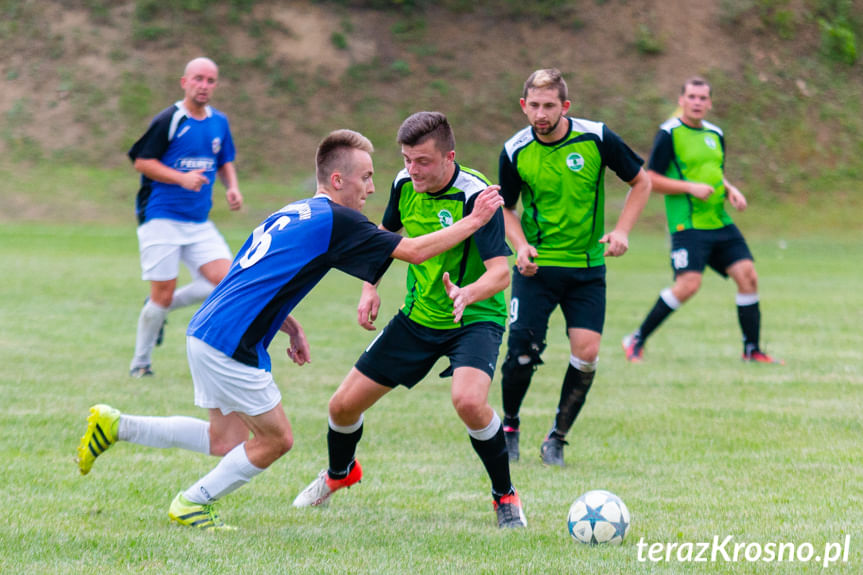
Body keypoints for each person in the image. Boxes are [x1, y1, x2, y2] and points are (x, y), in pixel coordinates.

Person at [76, 129, 505, 530]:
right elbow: (412, 250)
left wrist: (291, 326)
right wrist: (474, 219)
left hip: (207, 329)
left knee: (223, 439)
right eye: (366, 178)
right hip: (231, 343)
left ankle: (117, 425)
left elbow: (252, 276)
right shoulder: (339, 220)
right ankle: (192, 502)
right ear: (338, 180)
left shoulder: (292, 211)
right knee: (276, 440)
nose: (372, 188)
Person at [293, 112, 527, 528]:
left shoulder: (477, 198)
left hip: (474, 318)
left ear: (448, 157)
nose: (411, 170)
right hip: (419, 317)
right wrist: (370, 285)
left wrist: (468, 293)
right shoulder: (405, 185)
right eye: (406, 160)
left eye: (422, 161)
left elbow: (500, 273)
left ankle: (505, 497)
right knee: (342, 406)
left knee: (469, 402)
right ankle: (339, 473)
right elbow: (385, 235)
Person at [497, 68, 651, 467]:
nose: (541, 113)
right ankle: (509, 427)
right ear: (523, 106)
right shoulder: (514, 151)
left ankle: (557, 439)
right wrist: (521, 245)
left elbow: (642, 181)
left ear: (565, 106)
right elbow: (506, 210)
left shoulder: (596, 138)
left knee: (587, 353)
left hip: (586, 271)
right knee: (521, 353)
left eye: (549, 106)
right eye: (533, 105)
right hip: (537, 271)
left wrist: (622, 231)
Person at [622, 76, 782, 365]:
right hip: (688, 224)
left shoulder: (715, 134)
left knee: (748, 276)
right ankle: (636, 339)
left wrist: (730, 189)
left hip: (718, 221)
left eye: (702, 98)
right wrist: (690, 187)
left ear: (710, 103)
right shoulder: (669, 133)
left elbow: (712, 170)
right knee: (688, 285)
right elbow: (651, 179)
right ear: (681, 100)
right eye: (692, 97)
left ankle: (752, 350)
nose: (697, 102)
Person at [127, 57, 243, 378]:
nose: (204, 86)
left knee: (227, 281)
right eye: (198, 79)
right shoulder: (171, 119)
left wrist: (232, 187)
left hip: (198, 222)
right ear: (185, 82)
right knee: (162, 292)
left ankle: (157, 310)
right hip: (160, 217)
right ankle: (140, 364)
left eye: (210, 80)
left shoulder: (219, 121)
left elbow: (224, 159)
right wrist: (181, 178)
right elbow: (141, 161)